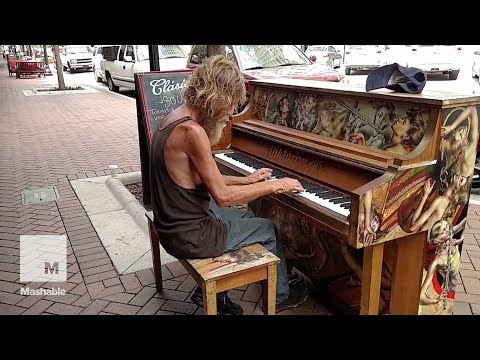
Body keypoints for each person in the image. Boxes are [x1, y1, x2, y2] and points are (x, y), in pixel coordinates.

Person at [149, 55, 309, 315]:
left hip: (171, 224)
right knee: (268, 227)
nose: (232, 111)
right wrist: (276, 185)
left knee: (245, 215)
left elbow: (201, 178)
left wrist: (246, 179)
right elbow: (222, 196)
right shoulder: (193, 132)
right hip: (189, 235)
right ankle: (281, 295)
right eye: (233, 103)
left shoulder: (172, 119)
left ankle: (221, 295)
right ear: (219, 97)